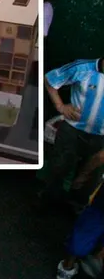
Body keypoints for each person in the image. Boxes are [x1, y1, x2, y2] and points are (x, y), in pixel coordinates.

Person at [43, 59, 104, 206]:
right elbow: (50, 79)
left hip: (100, 137)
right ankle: (48, 201)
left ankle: (76, 205)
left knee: (90, 177)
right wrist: (60, 106)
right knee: (59, 167)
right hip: (72, 130)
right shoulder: (83, 68)